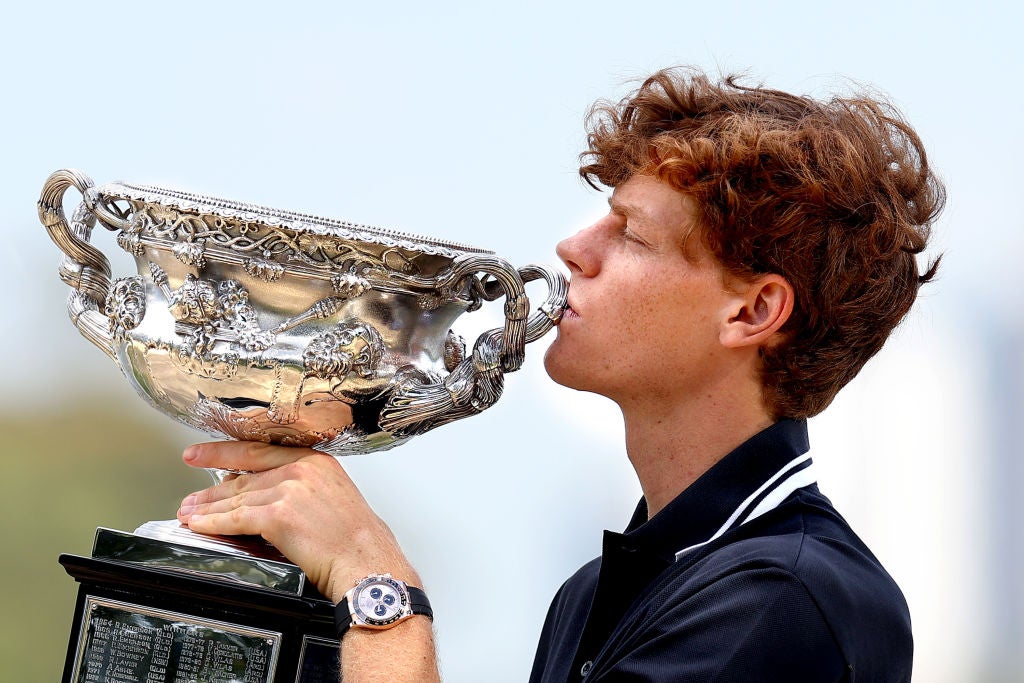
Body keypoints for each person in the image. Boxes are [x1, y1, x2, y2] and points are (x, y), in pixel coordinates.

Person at [176, 67, 943, 682]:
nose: (575, 248)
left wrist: (377, 587)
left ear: (751, 313)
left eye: (632, 234)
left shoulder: (782, 599)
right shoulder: (597, 592)